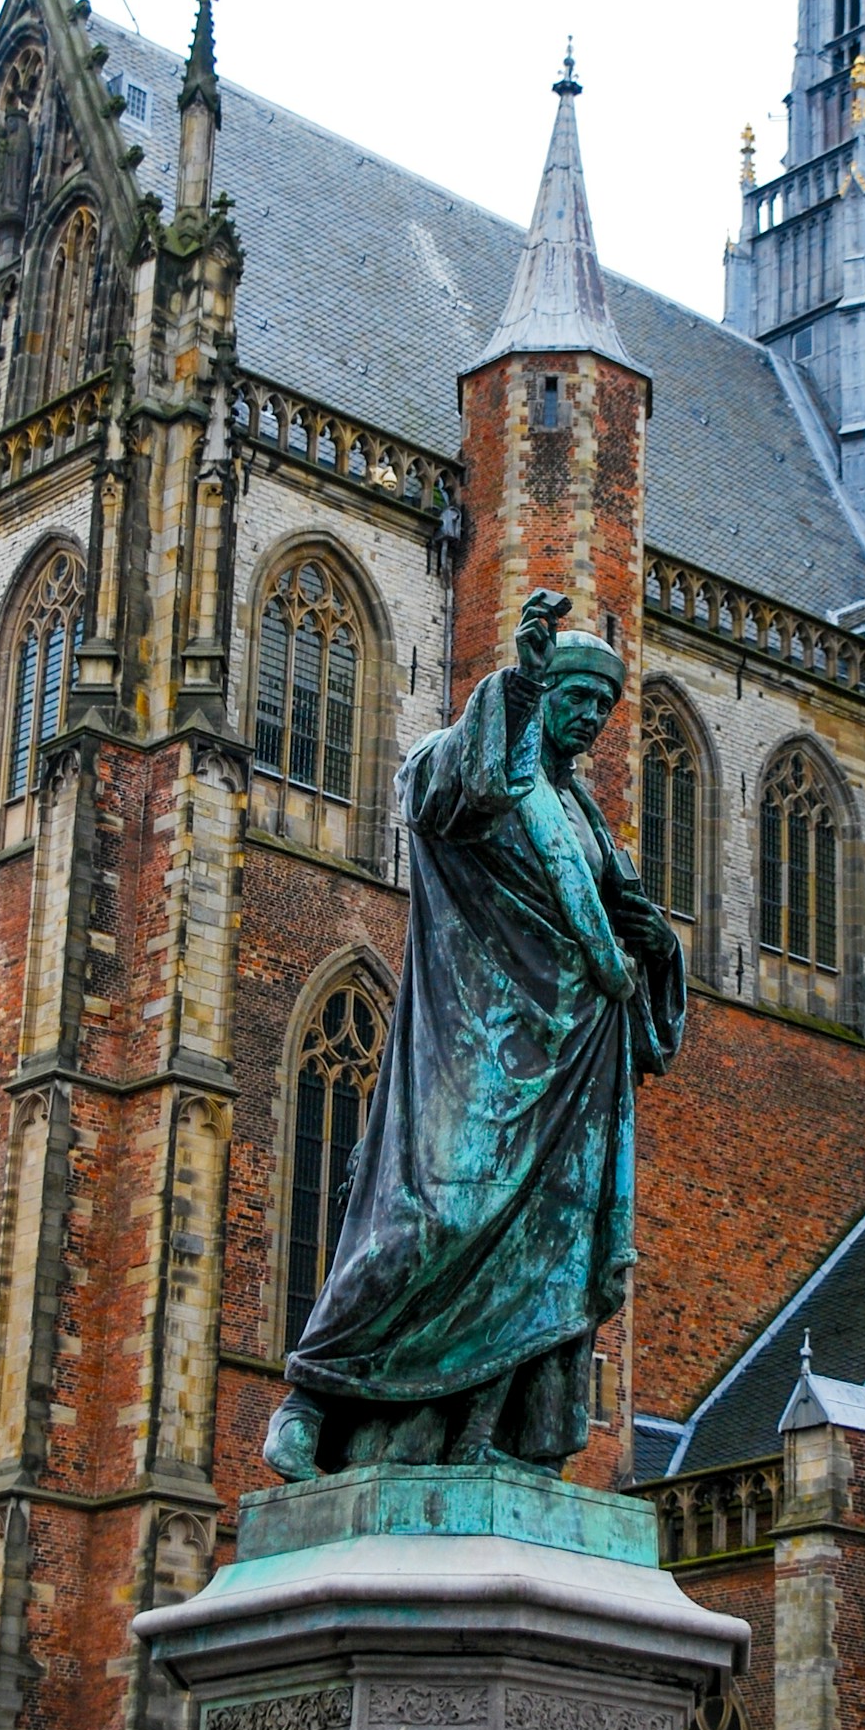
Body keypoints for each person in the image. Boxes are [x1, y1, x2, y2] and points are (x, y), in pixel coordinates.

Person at [264, 588, 685, 1478]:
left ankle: (483, 1441)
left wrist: (658, 949)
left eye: (602, 710)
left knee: (551, 1257)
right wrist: (519, 687)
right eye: (576, 700)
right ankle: (310, 1397)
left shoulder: (590, 827)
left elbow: (623, 930)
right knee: (426, 1220)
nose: (590, 720)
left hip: (573, 1066)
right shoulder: (479, 766)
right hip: (475, 1043)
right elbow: (441, 789)